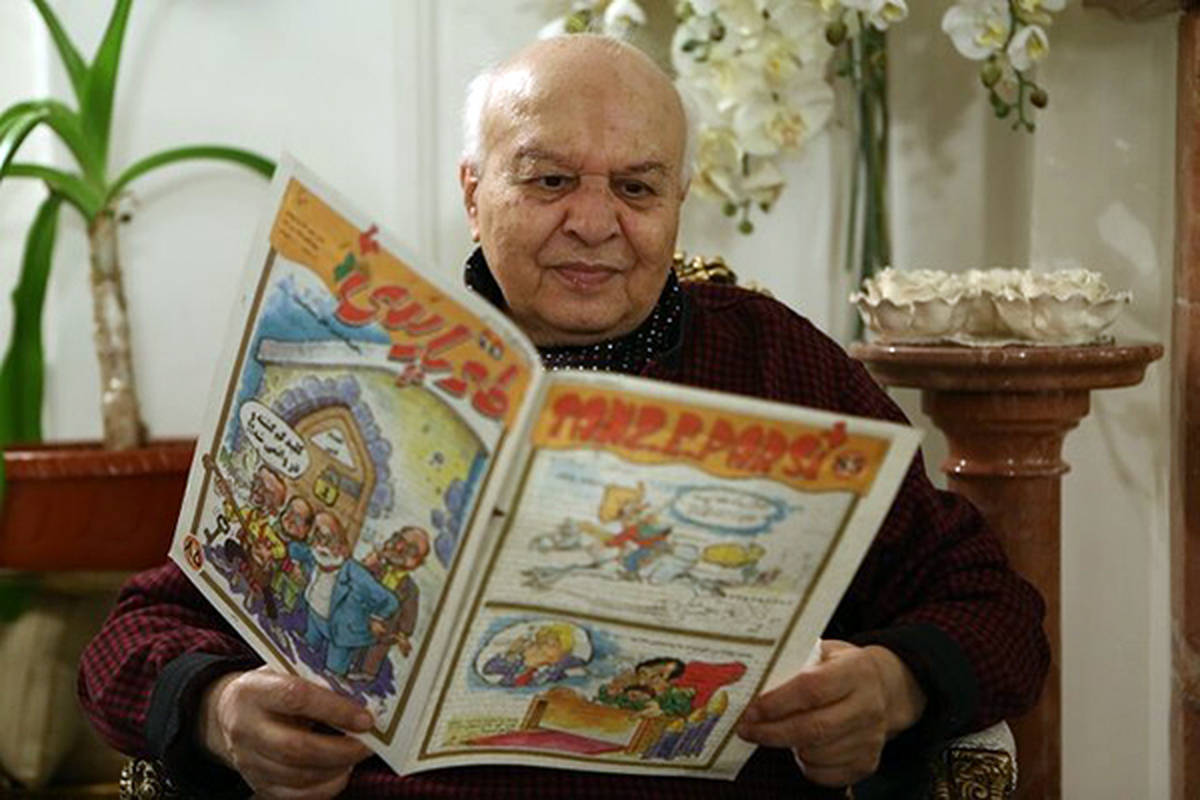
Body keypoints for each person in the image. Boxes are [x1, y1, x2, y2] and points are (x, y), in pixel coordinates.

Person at [77, 33, 1049, 799]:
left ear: (678, 200)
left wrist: (891, 683)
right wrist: (219, 708)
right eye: (549, 180)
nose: (593, 221)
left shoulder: (776, 360)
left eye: (636, 186)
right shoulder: (368, 366)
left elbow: (995, 608)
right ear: (474, 192)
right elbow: (129, 638)